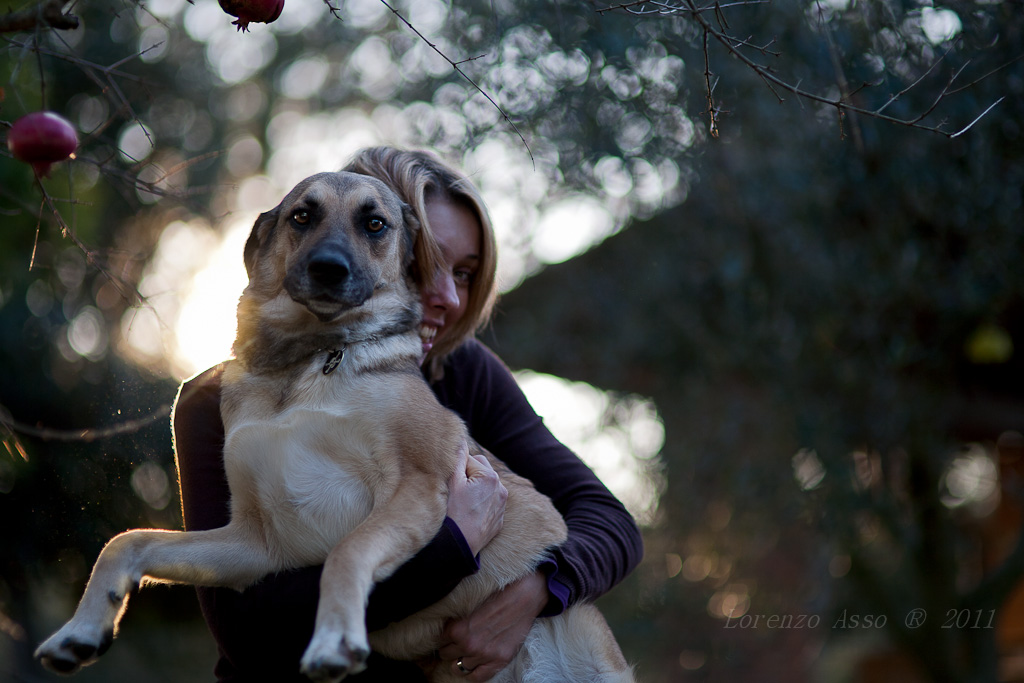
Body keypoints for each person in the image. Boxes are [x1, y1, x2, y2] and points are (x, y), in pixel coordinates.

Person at [173, 147, 643, 682]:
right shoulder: (217, 403)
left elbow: (609, 522)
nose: (446, 297)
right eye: (429, 264)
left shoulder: (462, 370)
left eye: (465, 274)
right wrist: (451, 548)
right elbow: (249, 637)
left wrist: (534, 594)